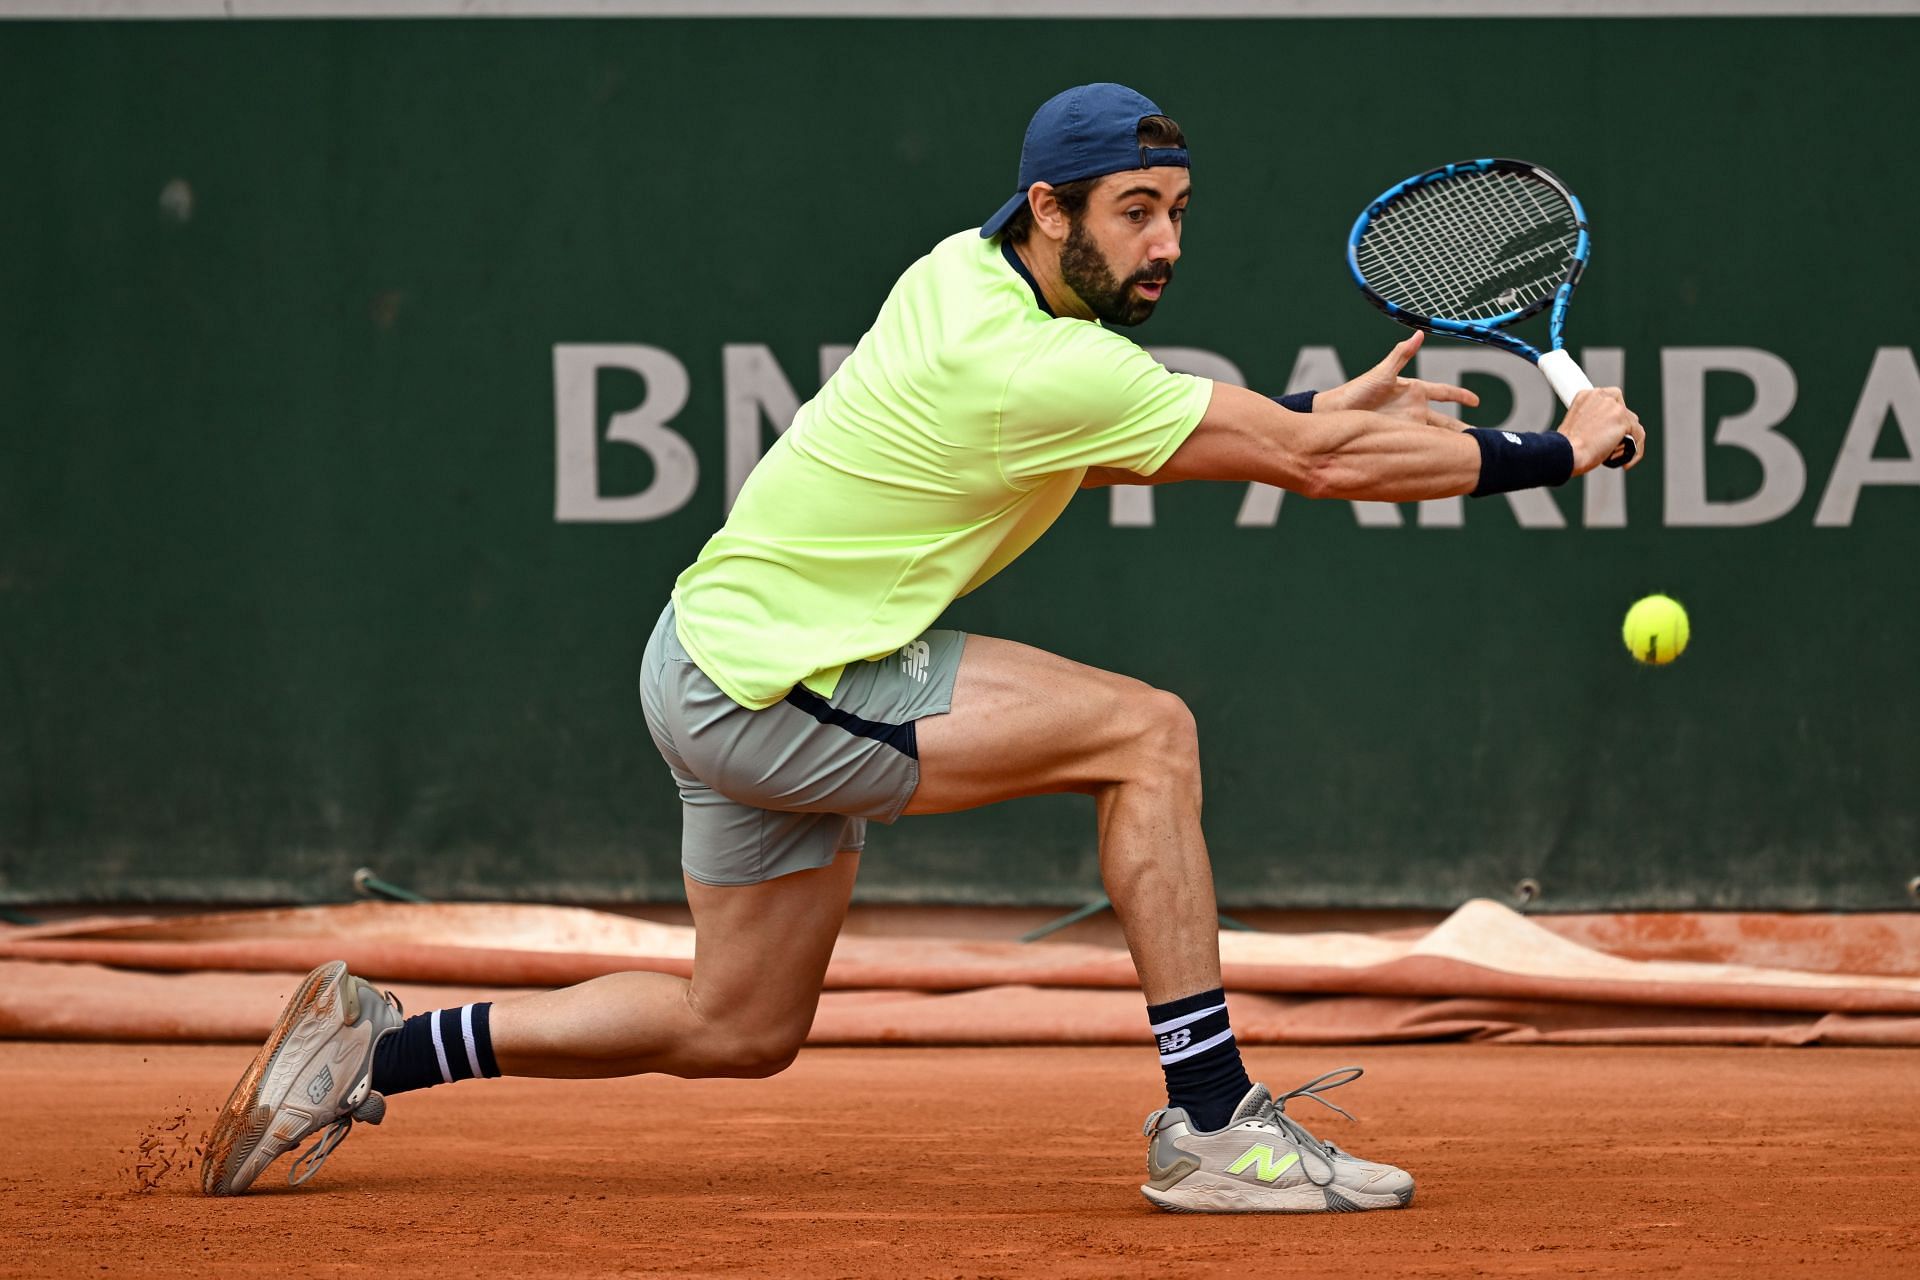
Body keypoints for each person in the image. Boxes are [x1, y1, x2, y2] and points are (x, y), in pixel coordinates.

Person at [203, 83, 1644, 1211]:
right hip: (777, 684)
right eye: (1138, 212)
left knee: (737, 1024)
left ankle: (370, 1052)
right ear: (1050, 205)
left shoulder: (968, 271)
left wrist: (1309, 423)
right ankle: (1211, 1127)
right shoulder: (1038, 362)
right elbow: (1287, 467)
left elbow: (1210, 444)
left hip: (706, 652)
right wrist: (1557, 450)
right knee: (1151, 733)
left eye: (1181, 211)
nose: (1168, 245)